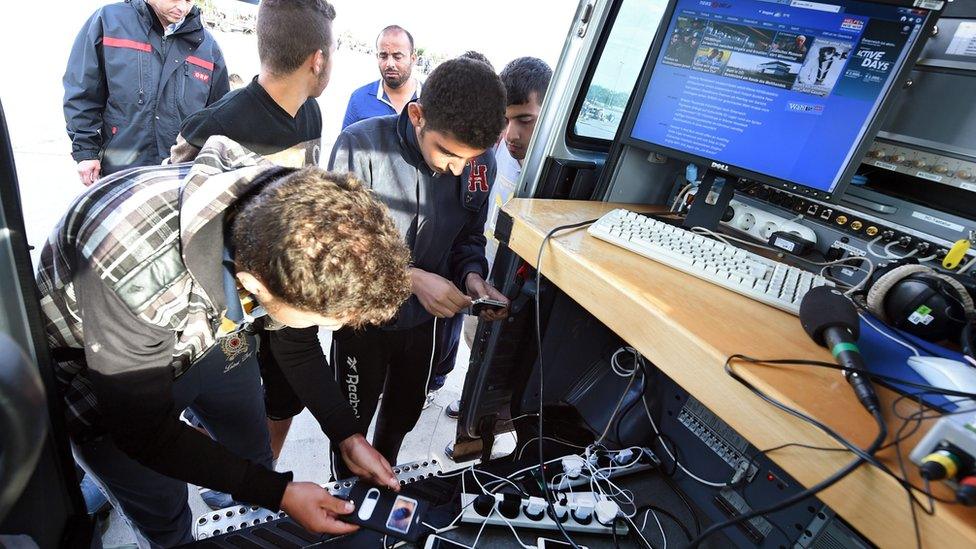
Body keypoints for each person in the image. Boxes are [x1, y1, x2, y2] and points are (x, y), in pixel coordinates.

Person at [37, 137, 410, 546]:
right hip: (101, 382)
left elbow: (294, 341)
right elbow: (144, 431)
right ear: (254, 284)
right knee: (161, 502)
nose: (333, 329)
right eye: (327, 321)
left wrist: (347, 434)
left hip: (213, 342)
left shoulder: (294, 204)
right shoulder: (129, 268)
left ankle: (244, 507)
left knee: (251, 444)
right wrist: (280, 493)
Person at [169, 0, 342, 509]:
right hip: (222, 314)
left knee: (284, 397)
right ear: (318, 60)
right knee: (218, 408)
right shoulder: (210, 128)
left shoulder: (311, 112)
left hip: (282, 301)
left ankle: (258, 475)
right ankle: (229, 476)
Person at [328, 57, 509, 476]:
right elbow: (336, 253)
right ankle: (344, 490)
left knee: (402, 417)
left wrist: (473, 277)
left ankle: (385, 479)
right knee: (350, 431)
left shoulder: (479, 165)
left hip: (424, 326)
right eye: (446, 152)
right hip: (362, 324)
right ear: (417, 114)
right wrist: (410, 278)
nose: (457, 169)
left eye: (470, 159)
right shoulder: (359, 147)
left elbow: (469, 237)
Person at [446, 57, 553, 422]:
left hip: (524, 298)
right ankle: (470, 410)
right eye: (505, 120)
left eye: (525, 120)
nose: (511, 134)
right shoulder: (488, 159)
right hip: (486, 281)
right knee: (476, 348)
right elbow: (473, 210)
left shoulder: (555, 175)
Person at [63, 0, 229, 185]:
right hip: (120, 168)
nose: (182, 7)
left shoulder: (207, 47)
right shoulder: (109, 22)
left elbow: (217, 115)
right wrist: (86, 151)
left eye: (189, 0)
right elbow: (83, 91)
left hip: (178, 175)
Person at [341, 25, 421, 129]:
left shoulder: (430, 99)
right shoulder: (359, 99)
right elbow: (346, 143)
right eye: (383, 56)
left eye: (397, 57)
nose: (389, 64)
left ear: (413, 59)